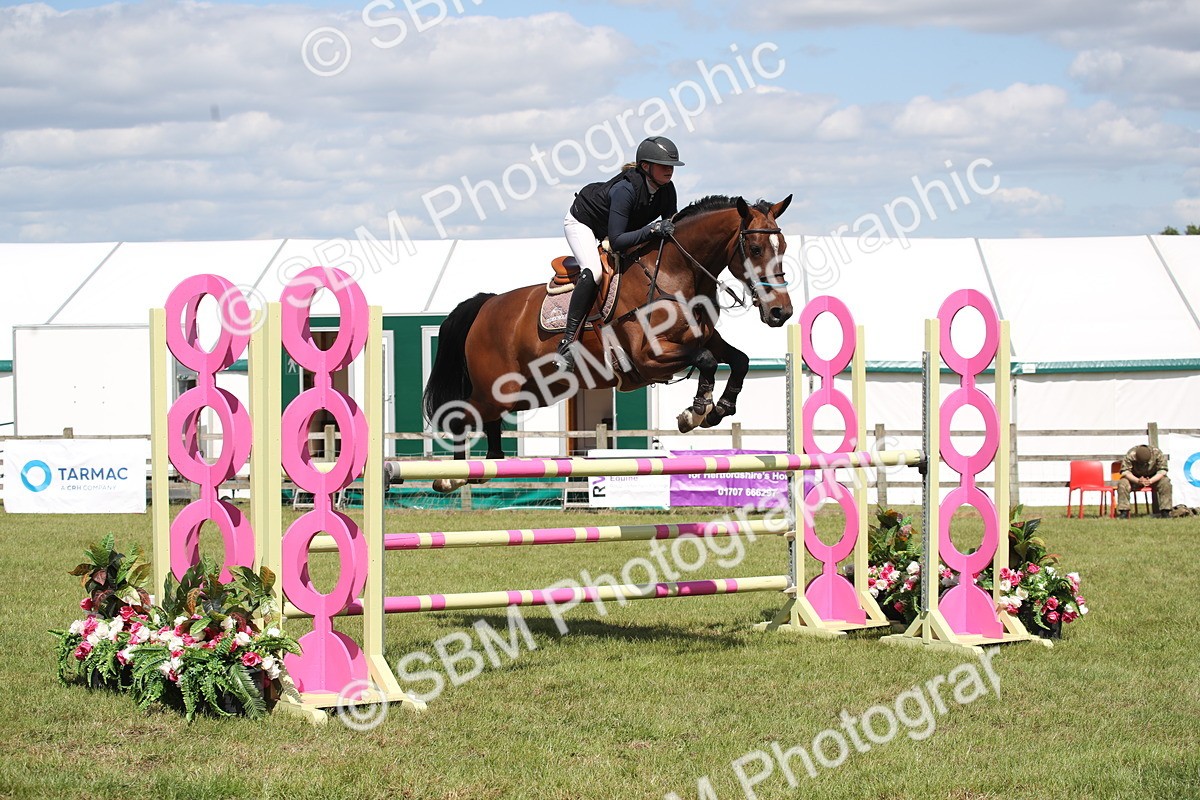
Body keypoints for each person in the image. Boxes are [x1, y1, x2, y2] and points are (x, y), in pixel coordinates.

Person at [557, 136, 684, 372]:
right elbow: (616, 241)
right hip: (583, 222)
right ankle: (567, 343)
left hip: (618, 229)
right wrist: (653, 229)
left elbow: (669, 226)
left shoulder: (667, 189)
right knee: (593, 272)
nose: (669, 171)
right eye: (663, 165)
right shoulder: (626, 190)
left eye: (672, 166)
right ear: (646, 166)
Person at [1117, 443, 1172, 518]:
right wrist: (1137, 480)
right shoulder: (1131, 454)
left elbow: (1162, 470)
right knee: (1122, 483)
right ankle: (1124, 512)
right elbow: (1125, 471)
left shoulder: (1157, 453)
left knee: (1165, 482)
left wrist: (1151, 481)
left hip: (1154, 477)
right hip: (1134, 477)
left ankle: (1165, 511)